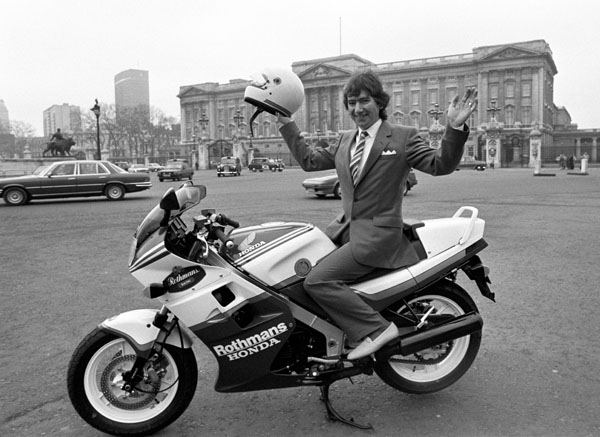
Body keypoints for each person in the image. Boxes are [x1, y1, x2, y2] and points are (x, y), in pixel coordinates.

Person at [276, 70, 478, 360]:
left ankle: (376, 329)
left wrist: (454, 129)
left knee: (317, 281)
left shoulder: (402, 137)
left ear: (379, 102)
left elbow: (440, 164)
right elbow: (309, 161)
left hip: (378, 238)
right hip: (345, 231)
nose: (358, 108)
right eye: (352, 103)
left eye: (364, 101)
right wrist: (286, 123)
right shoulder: (346, 140)